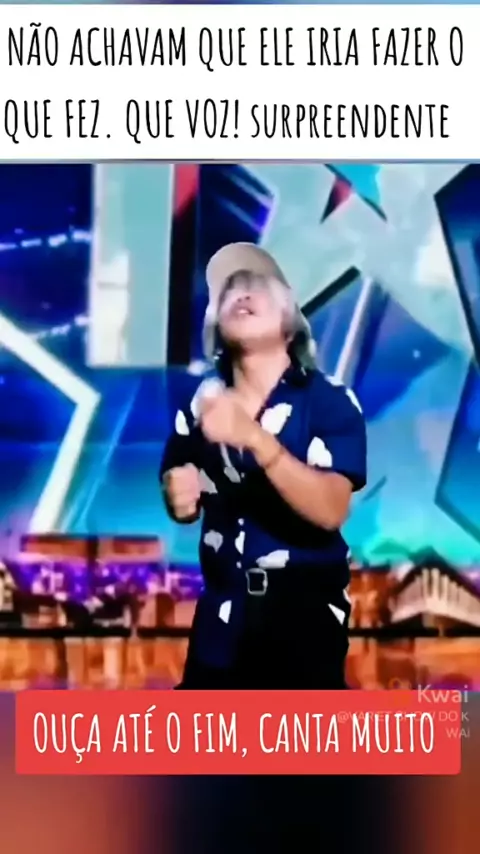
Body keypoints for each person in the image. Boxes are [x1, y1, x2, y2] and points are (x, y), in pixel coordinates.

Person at [160, 242, 367, 689]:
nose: (242, 292)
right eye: (230, 289)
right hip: (219, 625)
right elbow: (177, 483)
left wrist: (255, 439)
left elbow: (332, 508)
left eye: (258, 285)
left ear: (291, 323)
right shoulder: (197, 406)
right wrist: (177, 492)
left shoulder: (328, 401)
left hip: (303, 625)